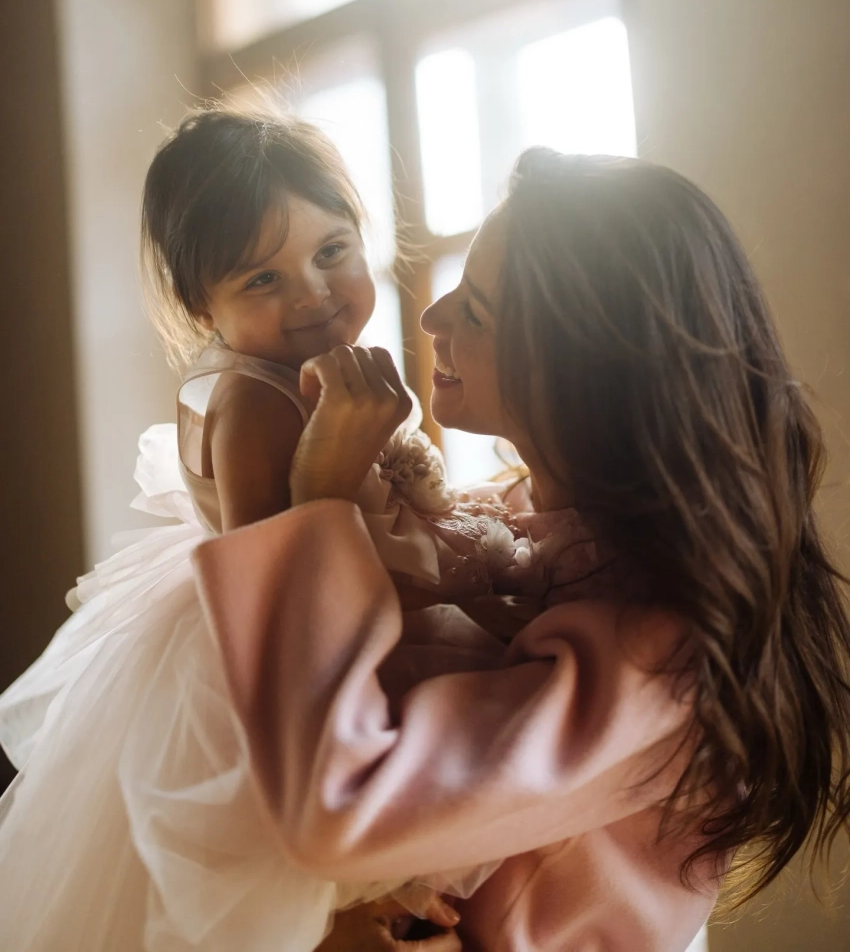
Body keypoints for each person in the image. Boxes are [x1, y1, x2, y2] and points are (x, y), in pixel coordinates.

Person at [196, 149, 850, 951]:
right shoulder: (498, 522)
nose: (432, 319)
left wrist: (322, 496)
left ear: (583, 368)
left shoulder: (662, 651)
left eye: (475, 309)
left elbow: (340, 809)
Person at [0, 107, 500, 951]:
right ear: (202, 304)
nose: (312, 294)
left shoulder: (300, 370)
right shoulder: (255, 404)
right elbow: (276, 592)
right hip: (279, 665)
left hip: (341, 624)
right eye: (262, 279)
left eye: (332, 251)